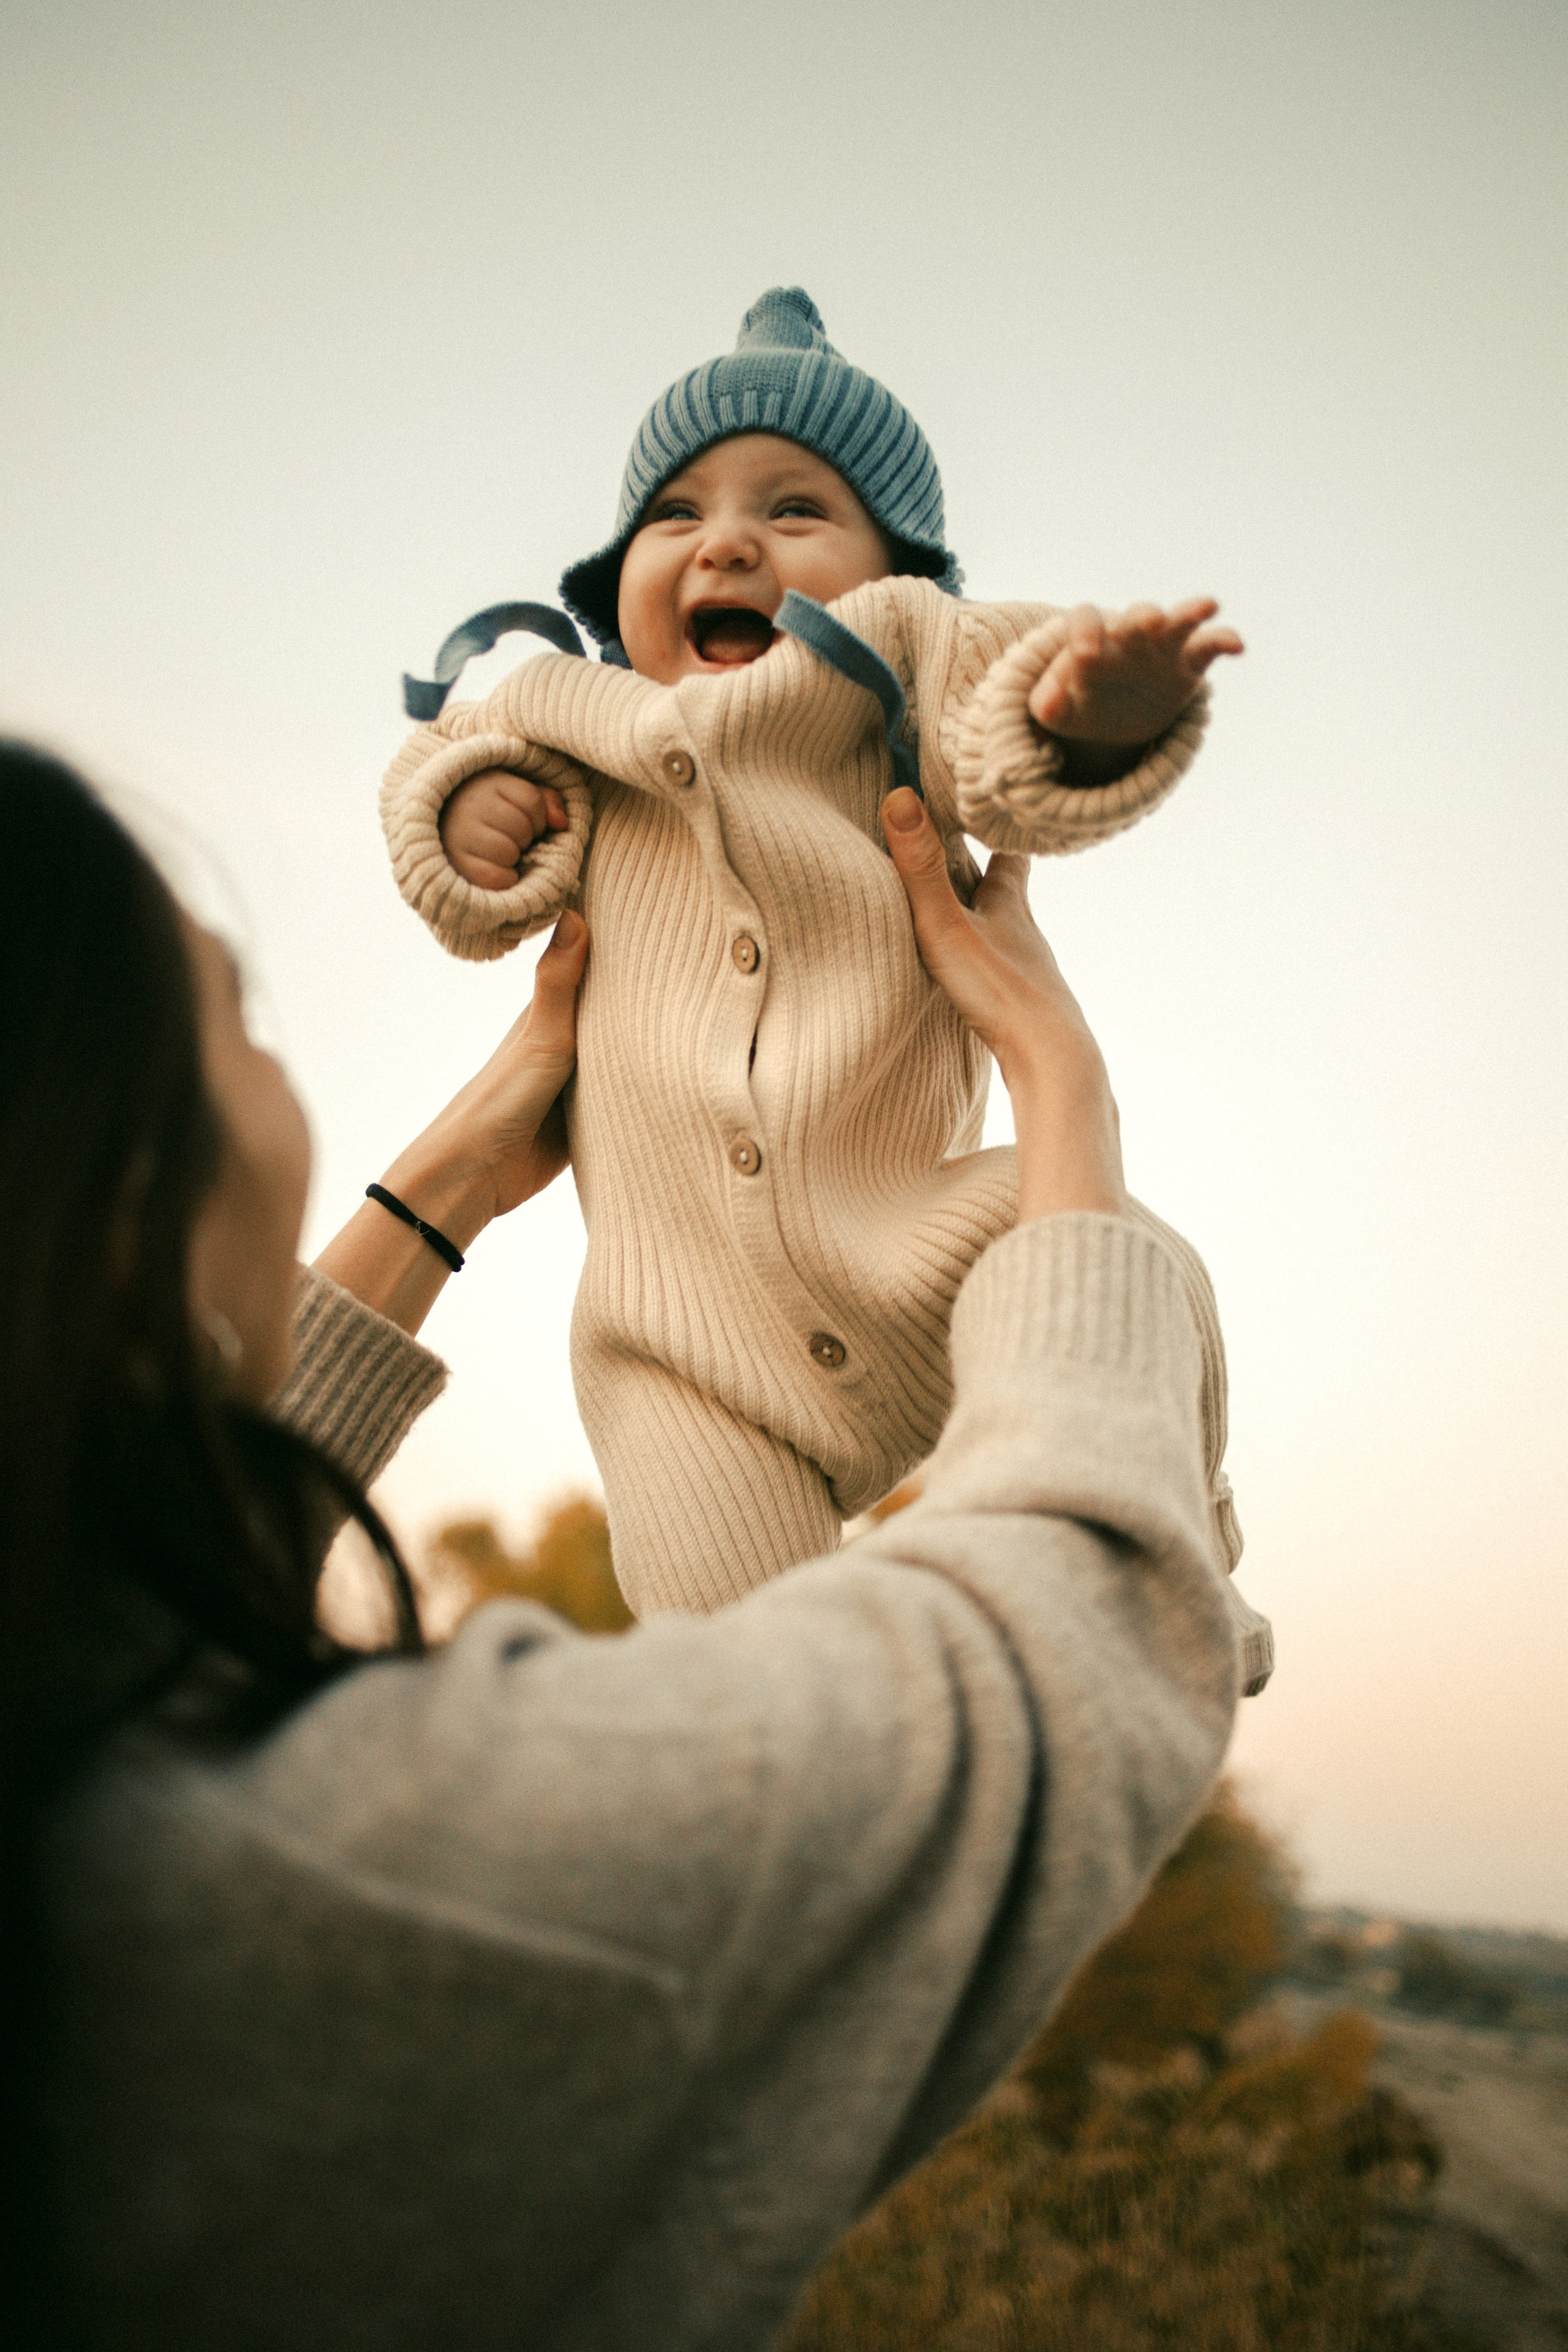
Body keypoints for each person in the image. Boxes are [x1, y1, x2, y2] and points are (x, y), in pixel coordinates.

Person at [6, 739, 1240, 2351]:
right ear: (106, 1177)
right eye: (240, 1021)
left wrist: (454, 1179)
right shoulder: (339, 1886)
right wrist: (1061, 1087)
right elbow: (1057, 1676)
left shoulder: (62, 1731)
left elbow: (140, 1582)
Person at [380, 285, 1258, 1629]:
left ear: (895, 571)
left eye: (794, 511)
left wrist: (1087, 717)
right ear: (614, 582)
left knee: (1125, 1257)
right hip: (676, 1343)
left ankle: (1166, 1555)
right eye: (676, 514)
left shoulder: (906, 663)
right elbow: (444, 802)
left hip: (911, 1237)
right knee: (738, 1668)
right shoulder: (568, 710)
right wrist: (471, 819)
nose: (727, 542)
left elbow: (1007, 738)